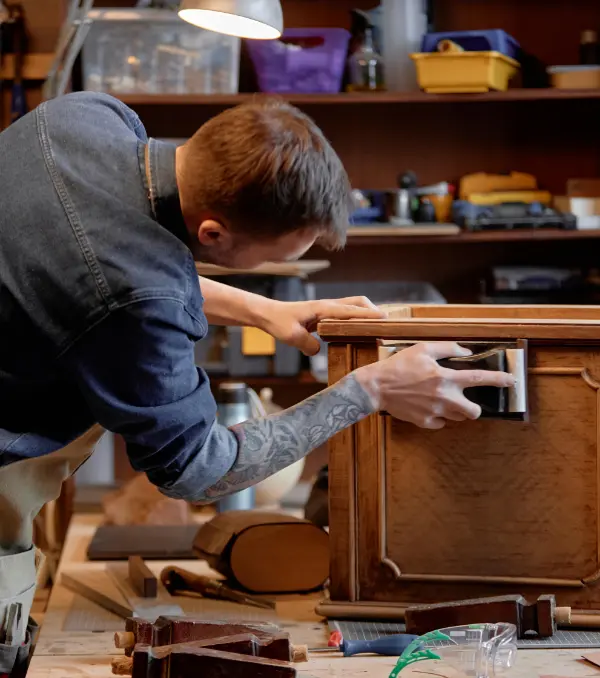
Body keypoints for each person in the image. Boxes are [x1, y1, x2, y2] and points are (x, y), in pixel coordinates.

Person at [0, 92, 513, 662]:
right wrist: (370, 390)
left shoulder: (84, 116)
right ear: (214, 234)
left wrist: (261, 310)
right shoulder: (137, 299)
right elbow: (196, 468)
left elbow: (107, 253)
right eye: (273, 261)